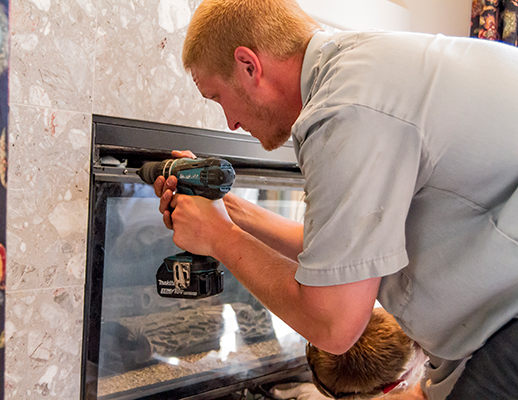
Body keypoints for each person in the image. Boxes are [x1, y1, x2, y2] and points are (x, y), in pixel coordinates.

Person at [153, 1, 518, 398]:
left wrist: (218, 237)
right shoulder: (361, 73)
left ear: (248, 66)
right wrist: (232, 212)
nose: (231, 122)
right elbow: (340, 258)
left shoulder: (344, 111)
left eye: (219, 97)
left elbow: (333, 325)